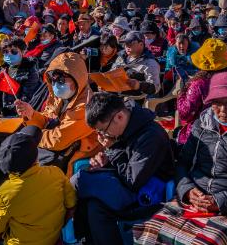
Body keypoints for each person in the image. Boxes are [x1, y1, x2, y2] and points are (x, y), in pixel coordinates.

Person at [133, 72, 227, 245]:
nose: (223, 110)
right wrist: (187, 191)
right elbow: (183, 163)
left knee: (208, 241)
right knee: (151, 229)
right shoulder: (202, 125)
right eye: (217, 103)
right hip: (194, 197)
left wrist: (218, 201)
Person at [71, 93, 174, 245]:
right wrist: (104, 160)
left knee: (80, 182)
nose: (102, 135)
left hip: (148, 195)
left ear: (119, 117)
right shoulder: (125, 126)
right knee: (92, 204)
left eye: (103, 130)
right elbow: (125, 162)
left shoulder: (151, 136)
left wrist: (112, 149)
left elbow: (133, 180)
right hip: (128, 185)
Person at [0, 125, 76, 245]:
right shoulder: (55, 172)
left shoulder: (5, 193)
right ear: (36, 156)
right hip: (53, 238)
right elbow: (71, 203)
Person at [14, 52, 100, 176]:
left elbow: (59, 140)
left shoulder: (86, 106)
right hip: (57, 147)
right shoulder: (59, 96)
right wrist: (32, 114)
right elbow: (49, 120)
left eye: (61, 79)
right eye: (52, 79)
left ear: (78, 78)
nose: (56, 84)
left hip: (74, 153)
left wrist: (33, 136)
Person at [176, 38, 227, 145]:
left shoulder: (199, 84)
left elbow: (184, 114)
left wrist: (182, 93)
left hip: (200, 134)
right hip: (225, 133)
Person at [111, 31, 161, 97]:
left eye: (130, 43)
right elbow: (111, 72)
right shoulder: (122, 56)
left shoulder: (150, 62)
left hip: (134, 99)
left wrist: (139, 85)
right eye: (125, 43)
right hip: (115, 93)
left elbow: (155, 88)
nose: (127, 46)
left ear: (141, 44)